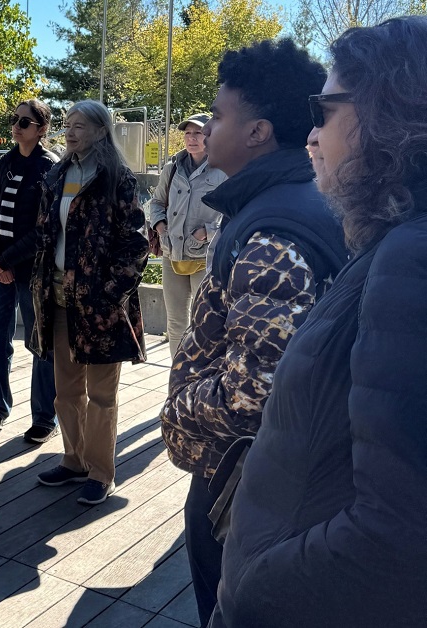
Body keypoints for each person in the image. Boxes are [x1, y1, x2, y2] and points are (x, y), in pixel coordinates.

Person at [212, 17, 427, 627]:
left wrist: (251, 588)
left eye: (324, 111)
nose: (310, 135)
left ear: (387, 111)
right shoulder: (395, 242)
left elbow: (398, 536)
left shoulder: (410, 258)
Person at [158, 39, 348, 627]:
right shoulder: (288, 202)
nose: (207, 127)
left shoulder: (273, 232)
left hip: (243, 480)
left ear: (258, 131)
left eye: (218, 115)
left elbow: (254, 392)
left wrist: (178, 409)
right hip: (262, 475)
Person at [28, 100, 149, 506]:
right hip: (59, 298)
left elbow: (136, 244)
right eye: (67, 125)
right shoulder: (58, 174)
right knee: (66, 391)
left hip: (100, 307)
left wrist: (111, 294)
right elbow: (46, 232)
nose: (70, 132)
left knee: (101, 395)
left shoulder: (117, 178)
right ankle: (74, 460)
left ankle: (100, 472)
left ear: (100, 131)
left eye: (79, 126)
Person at [0, 99, 59, 443]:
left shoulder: (50, 167)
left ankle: (44, 417)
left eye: (25, 122)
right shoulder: (5, 163)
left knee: (39, 344)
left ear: (42, 129)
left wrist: (6, 260)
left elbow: (46, 227)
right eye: (15, 119)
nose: (16, 126)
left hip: (32, 270)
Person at [149, 113, 226, 353]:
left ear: (209, 135)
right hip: (172, 254)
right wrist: (160, 227)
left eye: (198, 133)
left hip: (204, 256)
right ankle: (177, 373)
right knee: (176, 323)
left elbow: (234, 213)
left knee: (204, 322)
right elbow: (156, 202)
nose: (192, 138)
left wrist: (207, 232)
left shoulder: (223, 169)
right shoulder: (172, 168)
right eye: (188, 133)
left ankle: (200, 372)